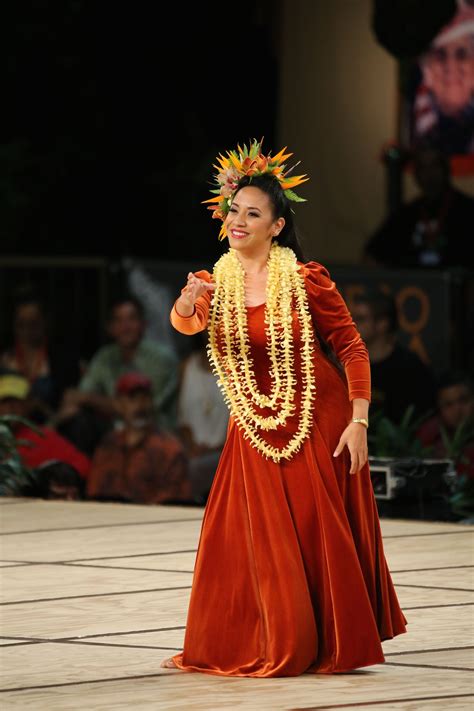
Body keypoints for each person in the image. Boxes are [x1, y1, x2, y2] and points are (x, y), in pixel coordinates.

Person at [160, 140, 406, 677]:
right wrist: (184, 302)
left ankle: (327, 640)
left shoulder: (306, 278)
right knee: (248, 533)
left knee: (315, 526)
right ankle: (271, 635)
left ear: (276, 226)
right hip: (254, 419)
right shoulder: (214, 281)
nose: (239, 220)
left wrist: (359, 420)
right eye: (235, 211)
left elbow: (352, 348)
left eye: (254, 213)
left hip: (319, 418)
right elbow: (187, 324)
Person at [55, 294, 179, 453]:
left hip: (154, 434)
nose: (125, 327)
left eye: (131, 319)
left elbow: (141, 409)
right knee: (77, 419)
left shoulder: (162, 359)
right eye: (118, 321)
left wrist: (89, 399)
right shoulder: (105, 356)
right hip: (114, 435)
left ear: (143, 324)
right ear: (110, 328)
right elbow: (79, 394)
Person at [86, 372, 190, 504]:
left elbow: (175, 501)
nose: (141, 405)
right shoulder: (108, 445)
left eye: (146, 398)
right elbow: (94, 492)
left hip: (151, 521)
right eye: (133, 399)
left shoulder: (169, 450)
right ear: (118, 404)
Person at [364, 144, 474, 269]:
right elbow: (373, 253)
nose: (429, 174)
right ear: (416, 174)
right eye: (423, 168)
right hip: (414, 286)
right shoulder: (406, 215)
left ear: (445, 169)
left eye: (434, 166)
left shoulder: (467, 210)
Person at [351, 290, 436, 424]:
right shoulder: (346, 365)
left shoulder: (410, 368)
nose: (352, 324)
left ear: (382, 324)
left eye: (360, 319)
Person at [1, 290, 81, 423]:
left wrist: (43, 410)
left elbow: (69, 404)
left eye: (33, 324)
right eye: (21, 324)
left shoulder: (62, 360)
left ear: (45, 322)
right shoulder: (4, 360)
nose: (27, 331)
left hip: (53, 427)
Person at [0, 371, 90, 480]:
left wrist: (46, 479)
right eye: (5, 402)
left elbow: (83, 466)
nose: (10, 408)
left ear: (28, 404)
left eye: (16, 401)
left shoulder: (42, 436)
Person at [413, 3, 474, 155]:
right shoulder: (418, 124)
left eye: (462, 54)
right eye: (440, 56)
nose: (451, 66)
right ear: (428, 72)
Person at [177, 331, 229, 503]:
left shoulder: (239, 369)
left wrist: (216, 449)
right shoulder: (187, 367)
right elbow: (181, 417)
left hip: (226, 453)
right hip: (190, 450)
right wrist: (192, 447)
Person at [417, 370, 474, 478]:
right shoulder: (429, 436)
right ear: (439, 408)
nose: (458, 410)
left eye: (464, 400)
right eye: (448, 404)